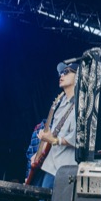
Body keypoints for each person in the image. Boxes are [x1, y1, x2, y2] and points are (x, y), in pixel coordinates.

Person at [33, 60, 79, 192]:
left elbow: (78, 138)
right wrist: (38, 153)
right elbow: (53, 133)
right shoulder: (61, 102)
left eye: (66, 72)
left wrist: (54, 140)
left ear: (78, 77)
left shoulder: (80, 106)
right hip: (49, 164)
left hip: (63, 168)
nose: (61, 75)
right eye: (61, 73)